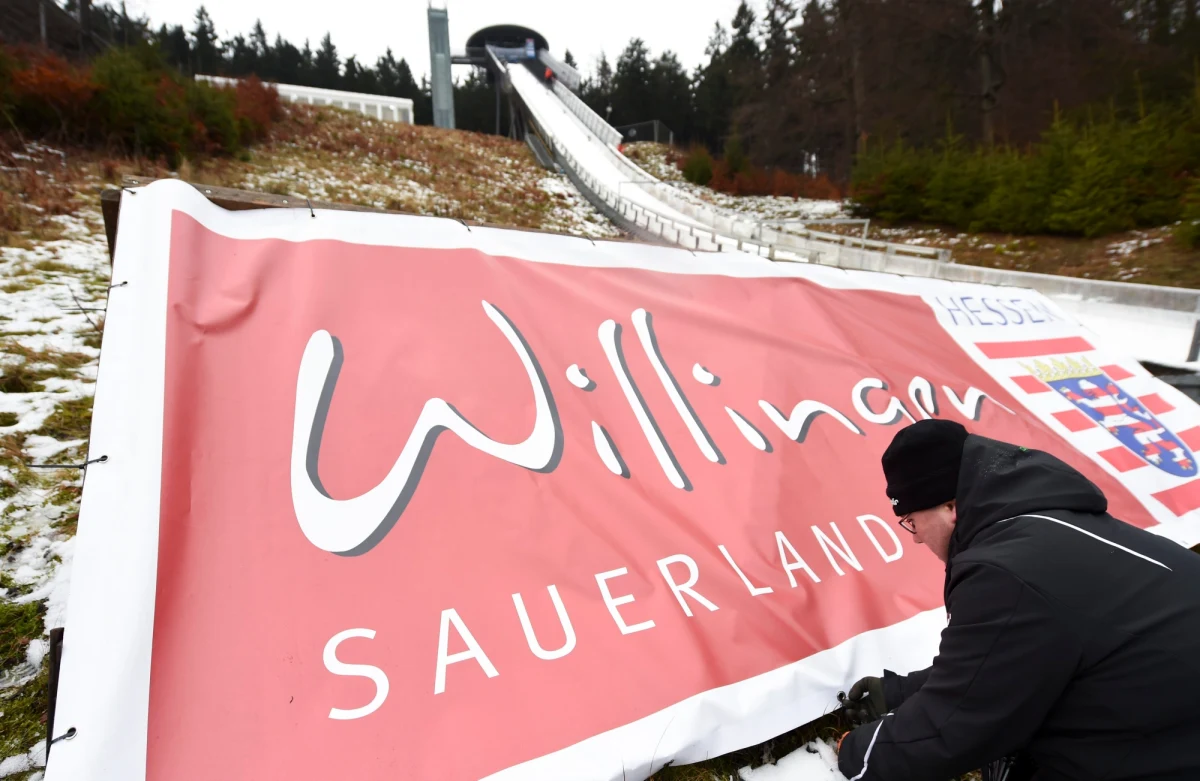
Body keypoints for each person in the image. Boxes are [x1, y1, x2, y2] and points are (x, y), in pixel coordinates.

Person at [836, 419, 1200, 781]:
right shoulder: (1052, 526)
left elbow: (957, 724)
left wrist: (858, 753)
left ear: (950, 507)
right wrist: (901, 692)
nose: (914, 538)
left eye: (911, 521)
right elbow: (1011, 656)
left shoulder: (1004, 570)